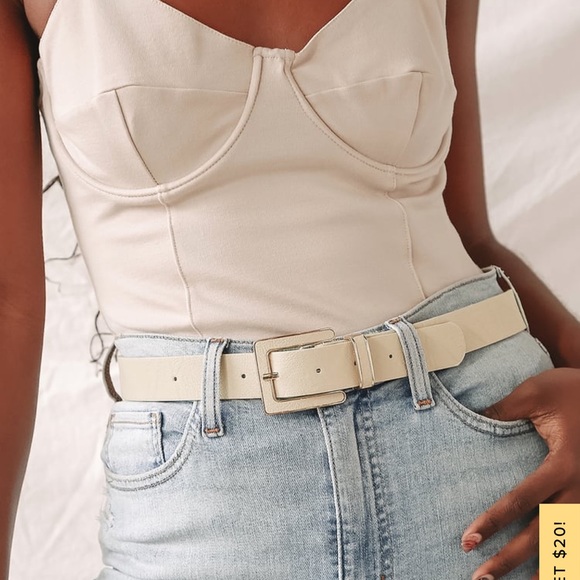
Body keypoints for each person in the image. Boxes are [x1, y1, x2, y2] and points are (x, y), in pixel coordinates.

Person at [1, 0, 579, 578]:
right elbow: (10, 304)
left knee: (570, 567)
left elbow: (472, 235)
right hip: (203, 507)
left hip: (495, 460)